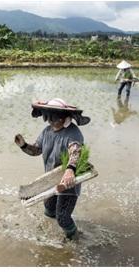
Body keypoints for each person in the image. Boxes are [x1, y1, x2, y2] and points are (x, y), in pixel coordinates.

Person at [14, 98, 90, 240]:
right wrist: (24, 145)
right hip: (51, 180)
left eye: (54, 117)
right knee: (49, 211)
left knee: (62, 217)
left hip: (68, 182)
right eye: (48, 116)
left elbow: (75, 151)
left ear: (64, 117)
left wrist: (70, 170)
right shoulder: (47, 131)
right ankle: (53, 234)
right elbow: (36, 150)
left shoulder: (73, 133)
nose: (50, 120)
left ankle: (75, 240)